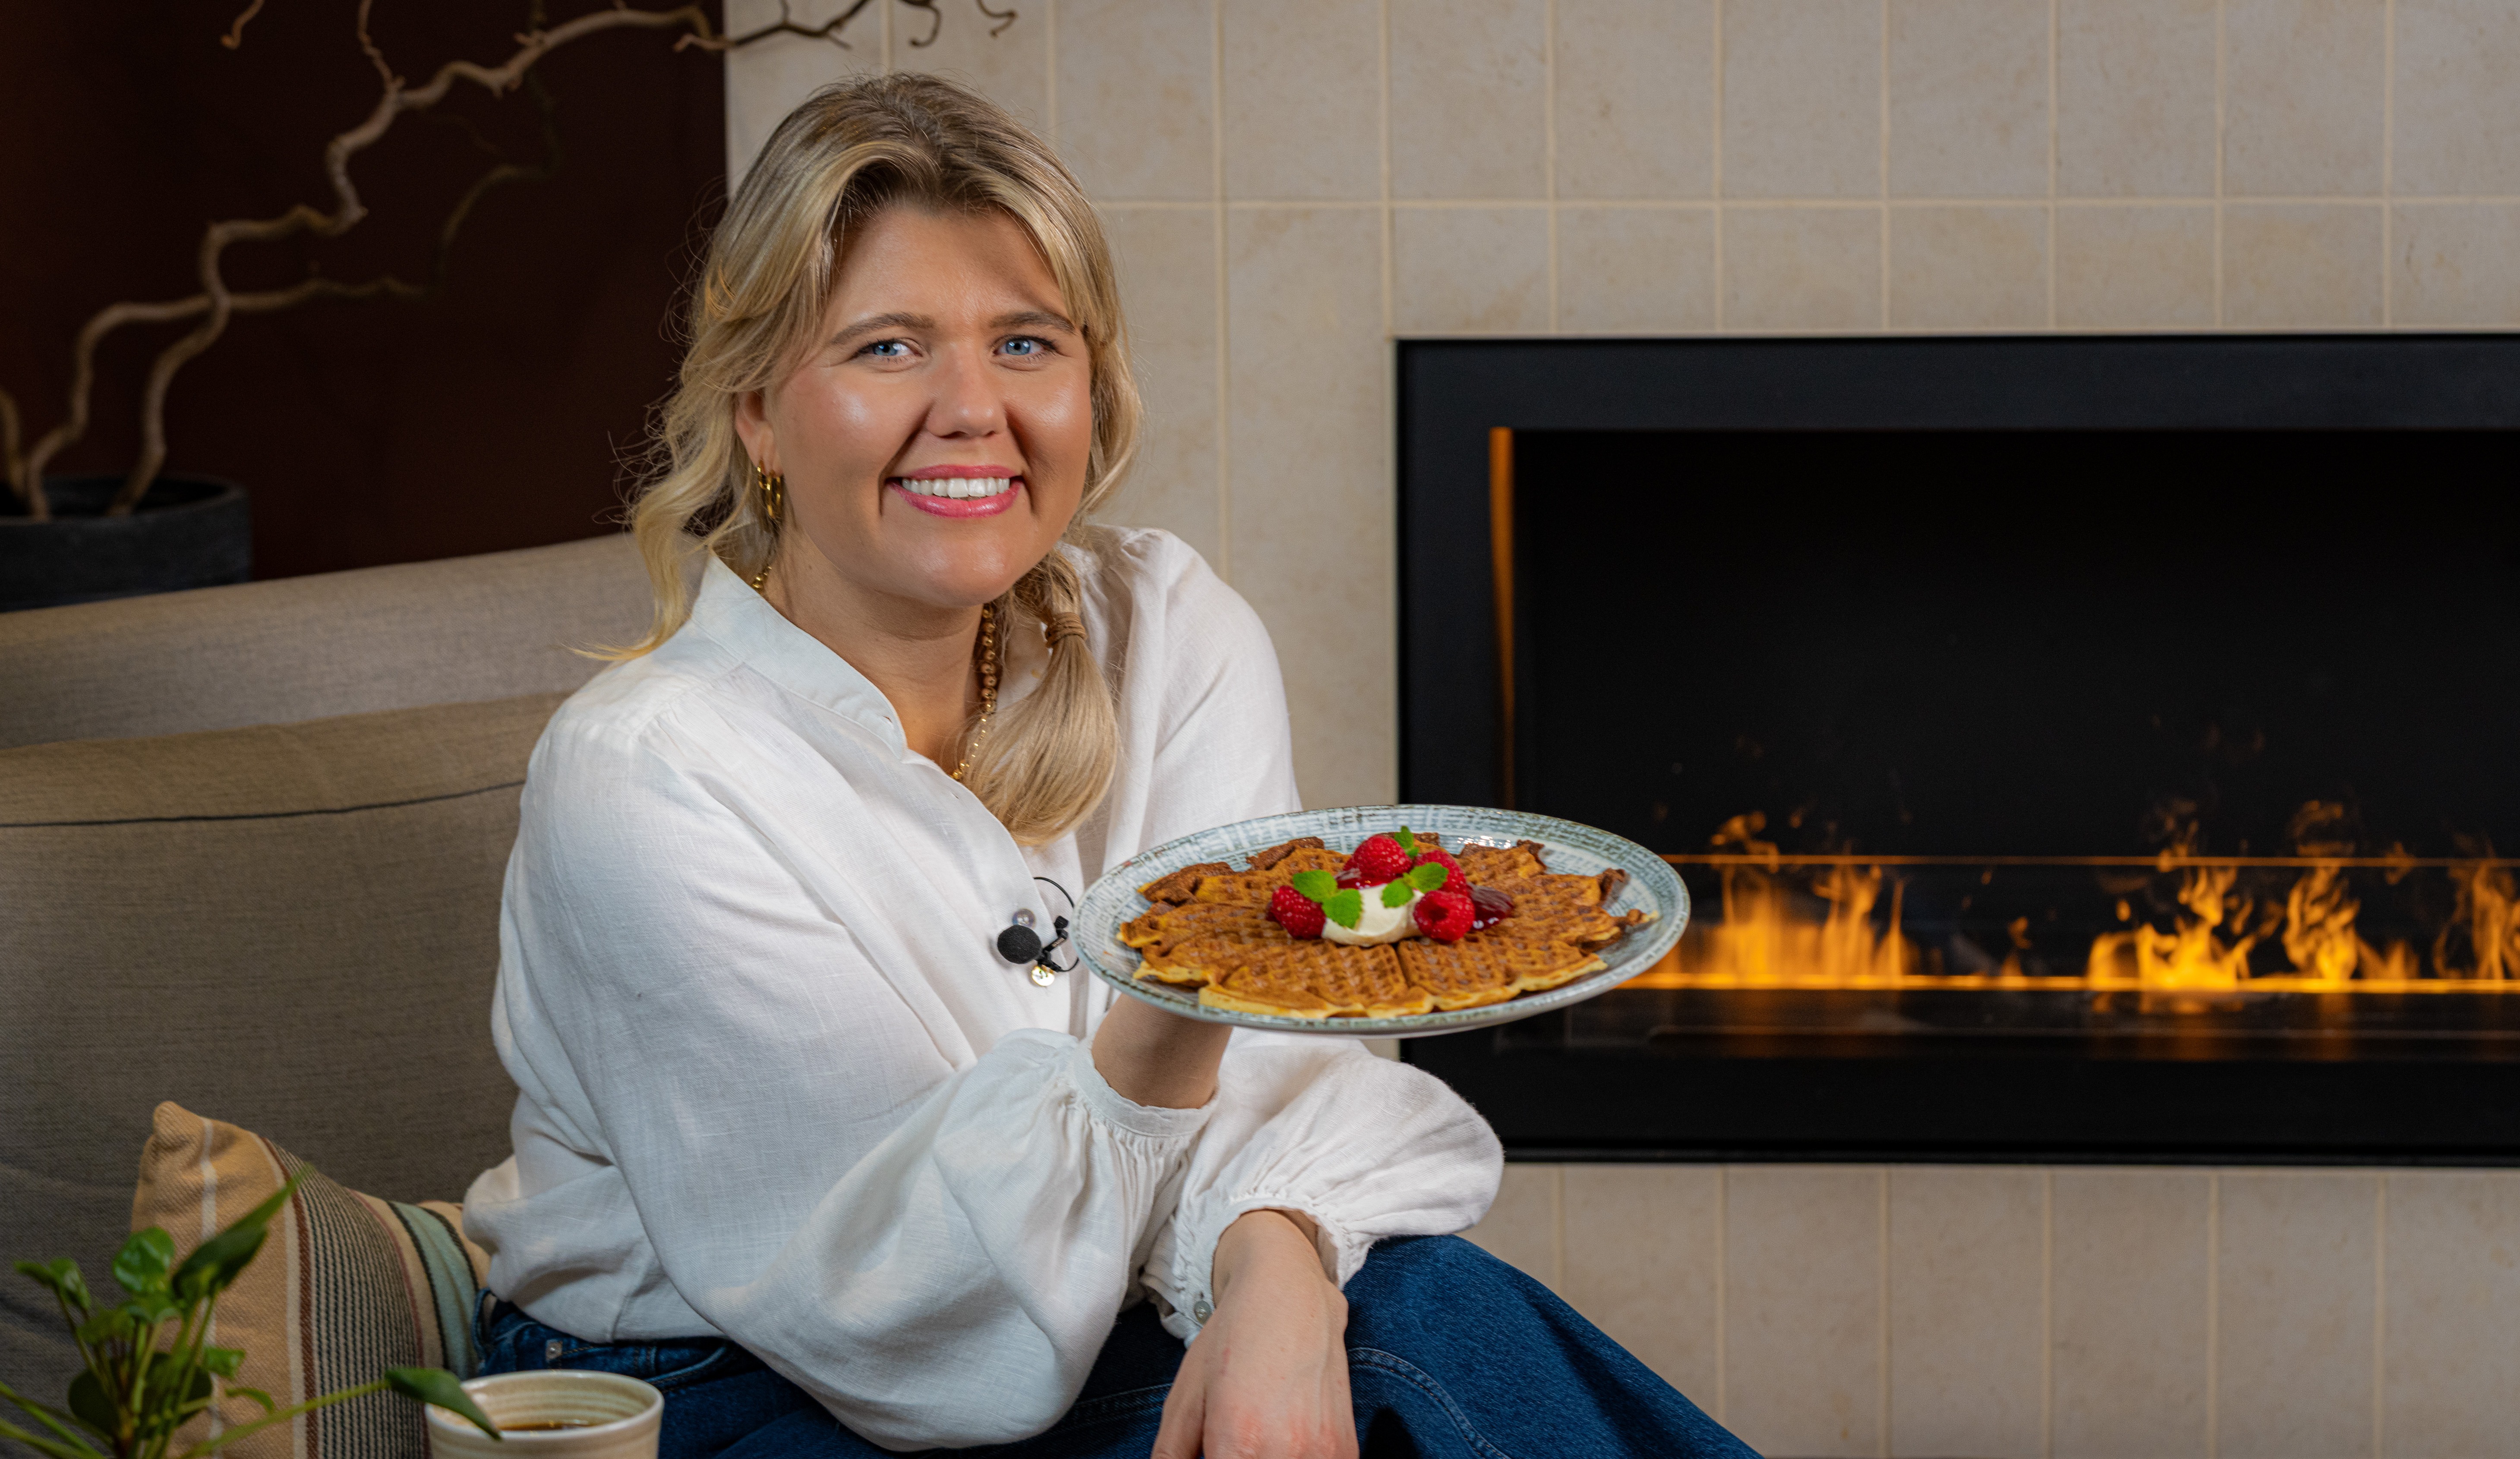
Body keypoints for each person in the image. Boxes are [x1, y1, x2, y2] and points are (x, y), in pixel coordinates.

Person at [461, 72, 1759, 1459]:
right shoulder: (651, 776)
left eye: (1026, 343)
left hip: (1109, 1311)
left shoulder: (1165, 627)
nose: (973, 409)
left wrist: (1276, 1266)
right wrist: (1174, 1002)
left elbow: (1290, 1074)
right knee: (1413, 1346)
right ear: (757, 413)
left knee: (1406, 1307)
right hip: (734, 1380)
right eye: (888, 349)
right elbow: (904, 1323)